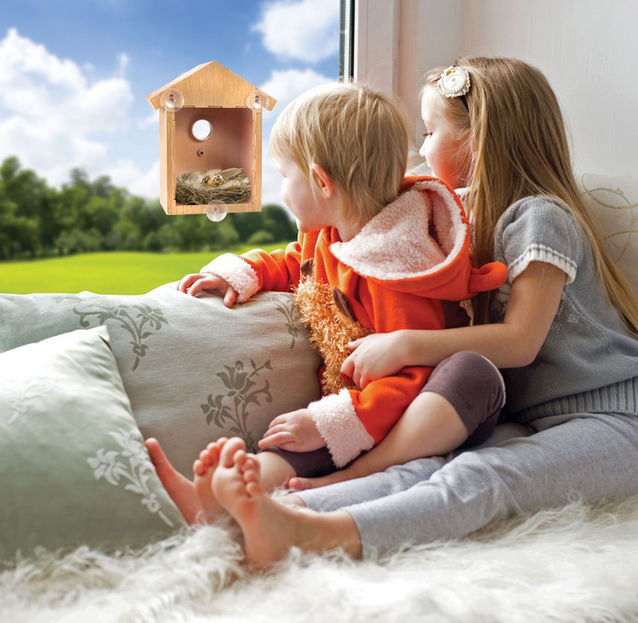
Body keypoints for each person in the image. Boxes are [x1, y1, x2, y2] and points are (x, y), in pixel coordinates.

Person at [185, 56, 638, 570]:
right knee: (431, 464)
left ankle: (318, 533)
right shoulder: (452, 220)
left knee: (486, 480)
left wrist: (406, 345)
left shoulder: (540, 217)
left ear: (477, 140)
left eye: (428, 133)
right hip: (534, 419)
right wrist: (248, 271)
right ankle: (286, 509)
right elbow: (314, 251)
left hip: (614, 416)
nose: (419, 151)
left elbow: (520, 342)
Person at [144, 81, 507, 525]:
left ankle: (354, 476)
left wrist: (338, 420)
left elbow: (416, 377)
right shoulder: (326, 235)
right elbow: (295, 263)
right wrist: (243, 272)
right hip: (360, 405)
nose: (281, 191)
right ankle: (225, 497)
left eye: (283, 176)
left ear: (320, 181)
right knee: (295, 438)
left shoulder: (398, 267)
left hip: (419, 410)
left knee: (468, 371)